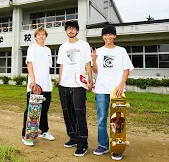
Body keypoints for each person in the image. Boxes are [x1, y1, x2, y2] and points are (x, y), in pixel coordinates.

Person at [91, 25, 134, 161]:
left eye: (110, 34)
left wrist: (121, 85)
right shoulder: (98, 51)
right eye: (105, 35)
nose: (108, 37)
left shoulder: (121, 51)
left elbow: (127, 69)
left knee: (117, 119)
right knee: (102, 118)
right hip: (101, 89)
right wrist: (93, 59)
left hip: (117, 90)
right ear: (102, 36)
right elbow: (96, 71)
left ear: (114, 36)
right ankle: (103, 145)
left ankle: (117, 148)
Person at [57, 20, 93, 157]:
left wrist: (90, 80)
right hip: (64, 84)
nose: (71, 30)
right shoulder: (63, 47)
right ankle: (72, 137)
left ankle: (82, 144)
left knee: (79, 114)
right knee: (67, 113)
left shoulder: (84, 45)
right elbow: (61, 65)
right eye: (68, 29)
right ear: (66, 31)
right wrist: (60, 80)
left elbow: (87, 63)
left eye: (73, 28)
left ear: (77, 31)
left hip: (79, 84)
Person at [21, 27, 55, 146]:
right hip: (35, 85)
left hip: (46, 85)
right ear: (35, 37)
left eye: (43, 35)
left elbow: (47, 67)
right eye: (39, 35)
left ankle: (44, 131)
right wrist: (33, 79)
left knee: (44, 110)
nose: (41, 36)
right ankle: (26, 135)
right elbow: (29, 64)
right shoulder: (32, 47)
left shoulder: (48, 50)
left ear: (46, 37)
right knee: (31, 111)